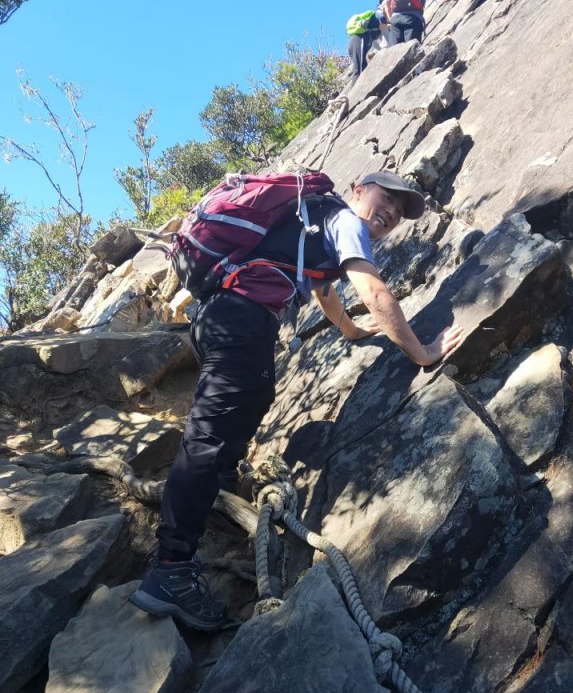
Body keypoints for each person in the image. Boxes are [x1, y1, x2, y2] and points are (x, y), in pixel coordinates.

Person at [130, 172, 465, 631]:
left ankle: (218, 483)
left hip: (218, 318)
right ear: (359, 190)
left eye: (399, 212)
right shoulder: (345, 221)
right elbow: (374, 291)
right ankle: (171, 569)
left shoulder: (316, 222)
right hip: (241, 318)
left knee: (254, 395)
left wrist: (348, 329)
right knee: (209, 437)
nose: (389, 214)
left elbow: (325, 289)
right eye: (386, 199)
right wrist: (422, 351)